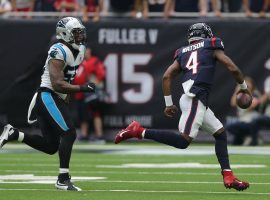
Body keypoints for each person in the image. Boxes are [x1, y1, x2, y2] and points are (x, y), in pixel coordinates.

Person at [115, 23, 251, 191]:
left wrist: (168, 104)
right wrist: (244, 87)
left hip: (192, 98)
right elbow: (233, 68)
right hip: (195, 98)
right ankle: (138, 131)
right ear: (207, 35)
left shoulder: (183, 52)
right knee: (183, 141)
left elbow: (166, 77)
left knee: (220, 133)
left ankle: (228, 176)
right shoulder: (212, 45)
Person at [0, 17, 95, 191]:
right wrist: (82, 88)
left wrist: (67, 96)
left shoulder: (80, 49)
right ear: (65, 34)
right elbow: (57, 82)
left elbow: (68, 78)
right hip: (47, 95)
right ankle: (63, 179)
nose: (80, 35)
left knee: (51, 146)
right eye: (76, 32)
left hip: (56, 97)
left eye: (81, 31)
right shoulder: (58, 49)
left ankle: (14, 134)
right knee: (69, 133)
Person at [73, 47, 106, 141]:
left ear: (89, 51)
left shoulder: (94, 61)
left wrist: (93, 86)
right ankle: (84, 134)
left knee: (96, 113)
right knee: (83, 115)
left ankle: (99, 135)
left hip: (91, 93)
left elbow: (101, 75)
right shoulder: (78, 63)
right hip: (80, 93)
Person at [227, 77, 261, 145]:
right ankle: (246, 137)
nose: (246, 86)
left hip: (252, 120)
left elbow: (250, 106)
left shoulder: (255, 94)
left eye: (248, 85)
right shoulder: (240, 95)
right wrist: (237, 91)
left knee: (236, 126)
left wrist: (244, 96)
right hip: (242, 120)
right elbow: (233, 103)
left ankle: (252, 137)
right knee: (231, 128)